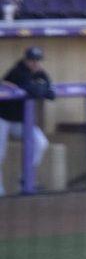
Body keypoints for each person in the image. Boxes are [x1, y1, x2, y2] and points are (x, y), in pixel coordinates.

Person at [0, 48, 55, 197]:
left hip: (20, 120)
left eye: (38, 60)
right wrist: (40, 86)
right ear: (26, 60)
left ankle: (26, 178)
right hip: (3, 117)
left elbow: (51, 93)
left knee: (40, 143)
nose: (35, 63)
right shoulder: (17, 71)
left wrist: (42, 85)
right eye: (32, 60)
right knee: (0, 153)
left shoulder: (39, 72)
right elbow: (35, 91)